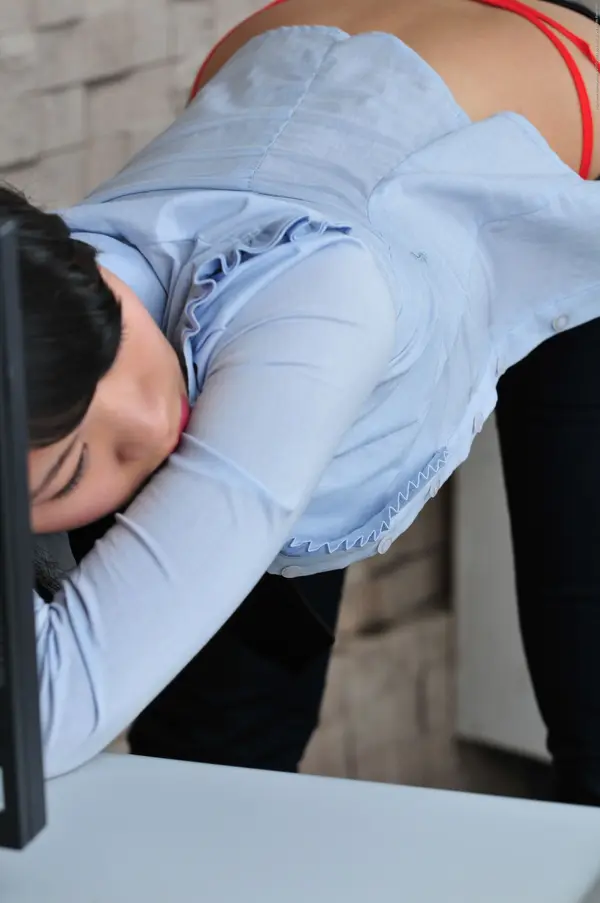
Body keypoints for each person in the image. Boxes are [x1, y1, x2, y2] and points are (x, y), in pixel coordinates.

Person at [7, 0, 600, 790]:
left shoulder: (317, 298)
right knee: (211, 757)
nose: (155, 421)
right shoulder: (44, 290)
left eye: (110, 335)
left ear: (78, 265)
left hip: (551, 117)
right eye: (73, 468)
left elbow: (41, 719)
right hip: (293, 81)